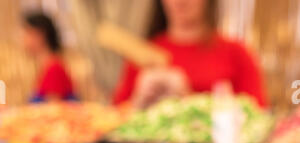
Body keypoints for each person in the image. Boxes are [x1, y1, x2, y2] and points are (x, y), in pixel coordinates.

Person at [113, 0, 267, 108]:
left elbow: (258, 118)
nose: (181, 1)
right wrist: (137, 102)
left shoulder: (237, 53)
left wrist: (189, 100)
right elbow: (111, 123)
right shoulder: (141, 53)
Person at [22, 12, 77, 102]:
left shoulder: (54, 68)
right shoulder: (47, 65)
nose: (23, 39)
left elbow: (54, 111)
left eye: (27, 33)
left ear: (40, 35)